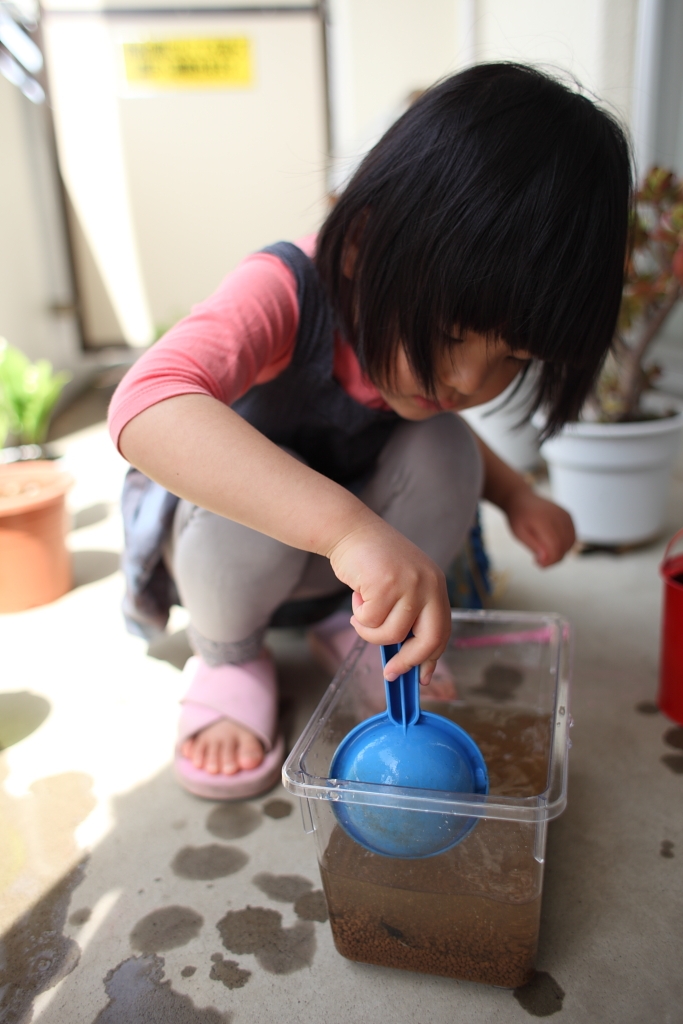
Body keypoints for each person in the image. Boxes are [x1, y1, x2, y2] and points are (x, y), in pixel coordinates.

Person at [108, 63, 631, 800]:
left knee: (444, 444)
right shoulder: (285, 290)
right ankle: (228, 660)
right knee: (248, 506)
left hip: (345, 574)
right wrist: (349, 531)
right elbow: (146, 404)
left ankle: (356, 629)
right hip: (228, 564)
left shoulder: (425, 369)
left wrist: (516, 497)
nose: (467, 380)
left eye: (513, 358)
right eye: (449, 334)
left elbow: (448, 434)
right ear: (359, 244)